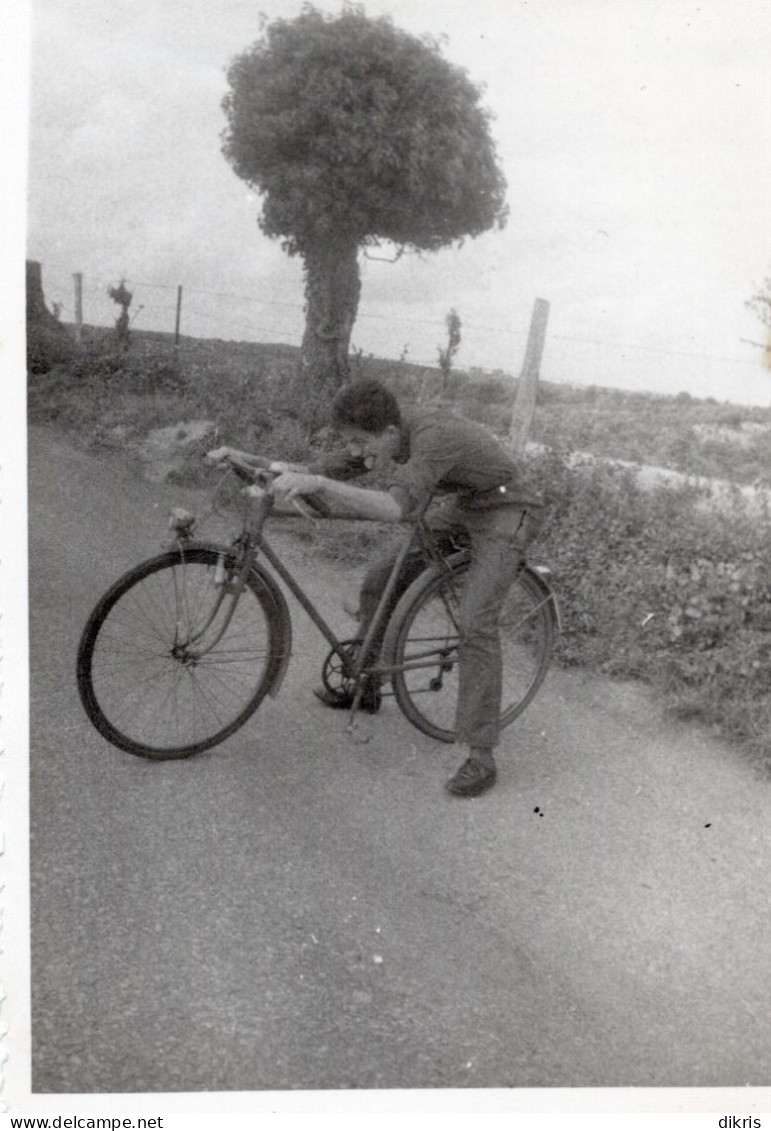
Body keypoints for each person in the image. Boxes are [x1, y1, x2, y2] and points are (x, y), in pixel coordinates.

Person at [209, 378, 543, 798]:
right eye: (348, 441)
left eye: (359, 442)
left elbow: (394, 508)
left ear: (388, 433)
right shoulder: (388, 435)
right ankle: (366, 686)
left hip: (509, 509)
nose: (354, 451)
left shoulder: (432, 437)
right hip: (465, 505)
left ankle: (481, 754)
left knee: (476, 622)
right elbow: (321, 469)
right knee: (382, 579)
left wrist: (323, 487)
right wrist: (252, 460)